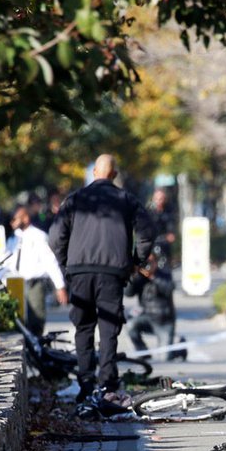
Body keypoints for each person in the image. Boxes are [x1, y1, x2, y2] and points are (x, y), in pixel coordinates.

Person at [49, 154, 155, 403]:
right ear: (114, 175)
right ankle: (107, 384)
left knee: (83, 327)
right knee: (109, 329)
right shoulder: (126, 199)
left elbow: (55, 238)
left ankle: (86, 384)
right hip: (112, 273)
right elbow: (147, 232)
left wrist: (67, 263)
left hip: (80, 272)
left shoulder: (75, 200)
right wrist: (136, 262)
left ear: (94, 172)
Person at [6, 205, 69, 337]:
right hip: (16, 284)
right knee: (19, 320)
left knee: (36, 319)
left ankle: (37, 348)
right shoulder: (13, 238)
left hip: (33, 283)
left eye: (15, 219)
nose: (12, 223)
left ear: (25, 218)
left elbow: (50, 262)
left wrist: (60, 286)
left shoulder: (38, 236)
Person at [125, 244, 184, 361]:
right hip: (147, 318)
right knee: (130, 325)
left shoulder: (164, 273)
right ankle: (143, 351)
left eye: (150, 261)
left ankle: (181, 350)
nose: (148, 265)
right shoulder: (140, 277)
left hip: (164, 322)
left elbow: (169, 288)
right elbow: (128, 293)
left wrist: (152, 276)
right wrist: (134, 276)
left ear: (156, 261)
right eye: (146, 262)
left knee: (165, 358)